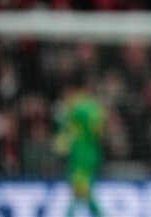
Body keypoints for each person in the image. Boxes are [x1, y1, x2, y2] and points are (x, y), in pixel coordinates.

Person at [54, 77, 106, 217]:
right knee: (82, 192)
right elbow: (99, 131)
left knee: (80, 191)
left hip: (81, 155)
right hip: (91, 153)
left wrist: (61, 144)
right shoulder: (95, 107)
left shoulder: (74, 107)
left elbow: (65, 133)